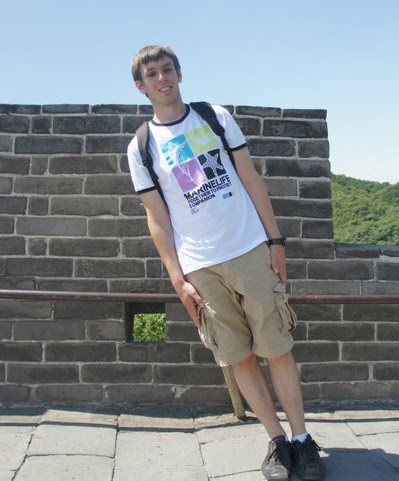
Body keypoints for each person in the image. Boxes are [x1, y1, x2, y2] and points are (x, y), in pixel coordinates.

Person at [127, 45, 325, 481]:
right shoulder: (141, 147)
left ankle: (302, 440)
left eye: (167, 69)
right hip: (201, 266)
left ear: (179, 73)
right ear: (140, 86)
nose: (162, 79)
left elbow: (250, 177)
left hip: (249, 246)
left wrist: (275, 239)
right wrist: (178, 279)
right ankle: (277, 442)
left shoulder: (213, 116)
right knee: (238, 357)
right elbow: (157, 218)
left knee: (277, 348)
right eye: (152, 74)